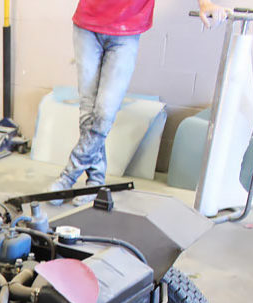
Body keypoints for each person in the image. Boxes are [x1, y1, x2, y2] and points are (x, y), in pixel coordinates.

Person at [48, 0, 228, 205]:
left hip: (125, 33)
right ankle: (95, 181)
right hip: (87, 26)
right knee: (88, 114)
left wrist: (205, 4)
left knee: (105, 112)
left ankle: (68, 177)